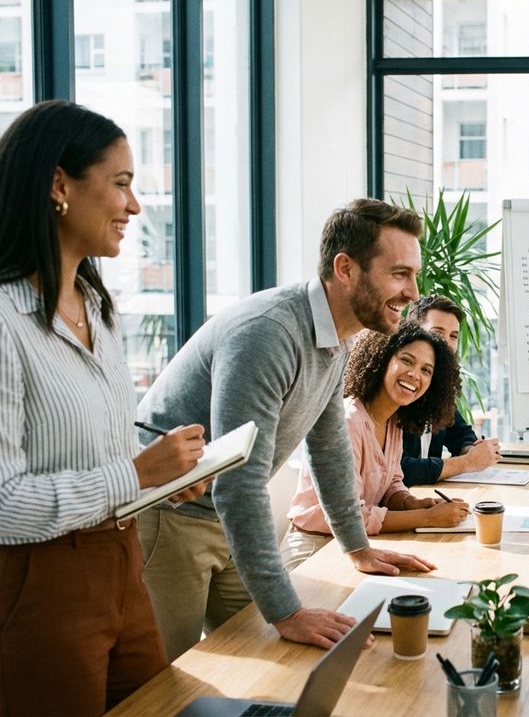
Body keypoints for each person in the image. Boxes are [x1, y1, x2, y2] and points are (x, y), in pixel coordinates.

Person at [136, 198, 435, 661]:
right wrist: (288, 613)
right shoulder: (269, 333)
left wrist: (357, 546)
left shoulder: (338, 336)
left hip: (226, 521)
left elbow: (329, 443)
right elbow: (239, 484)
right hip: (173, 519)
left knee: (282, 656)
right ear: (346, 268)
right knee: (164, 679)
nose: (413, 292)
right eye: (399, 274)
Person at [0, 101, 206, 715]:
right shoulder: (6, 323)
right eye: (121, 184)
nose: (134, 207)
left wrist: (156, 483)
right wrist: (136, 475)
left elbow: (102, 462)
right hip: (42, 586)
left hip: (123, 564)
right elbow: (4, 503)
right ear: (59, 185)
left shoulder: (98, 308)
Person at [282, 321, 471, 568]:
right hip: (313, 549)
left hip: (359, 546)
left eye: (426, 370)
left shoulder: (394, 421)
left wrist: (410, 502)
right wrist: (426, 517)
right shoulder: (348, 421)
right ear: (381, 358)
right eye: (406, 360)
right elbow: (350, 516)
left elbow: (391, 482)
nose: (415, 374)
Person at [400, 295, 500, 486]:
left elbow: (461, 434)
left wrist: (473, 451)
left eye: (453, 336)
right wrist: (467, 462)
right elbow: (401, 469)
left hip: (426, 497)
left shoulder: (440, 388)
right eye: (438, 333)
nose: (447, 343)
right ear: (414, 332)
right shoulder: (402, 386)